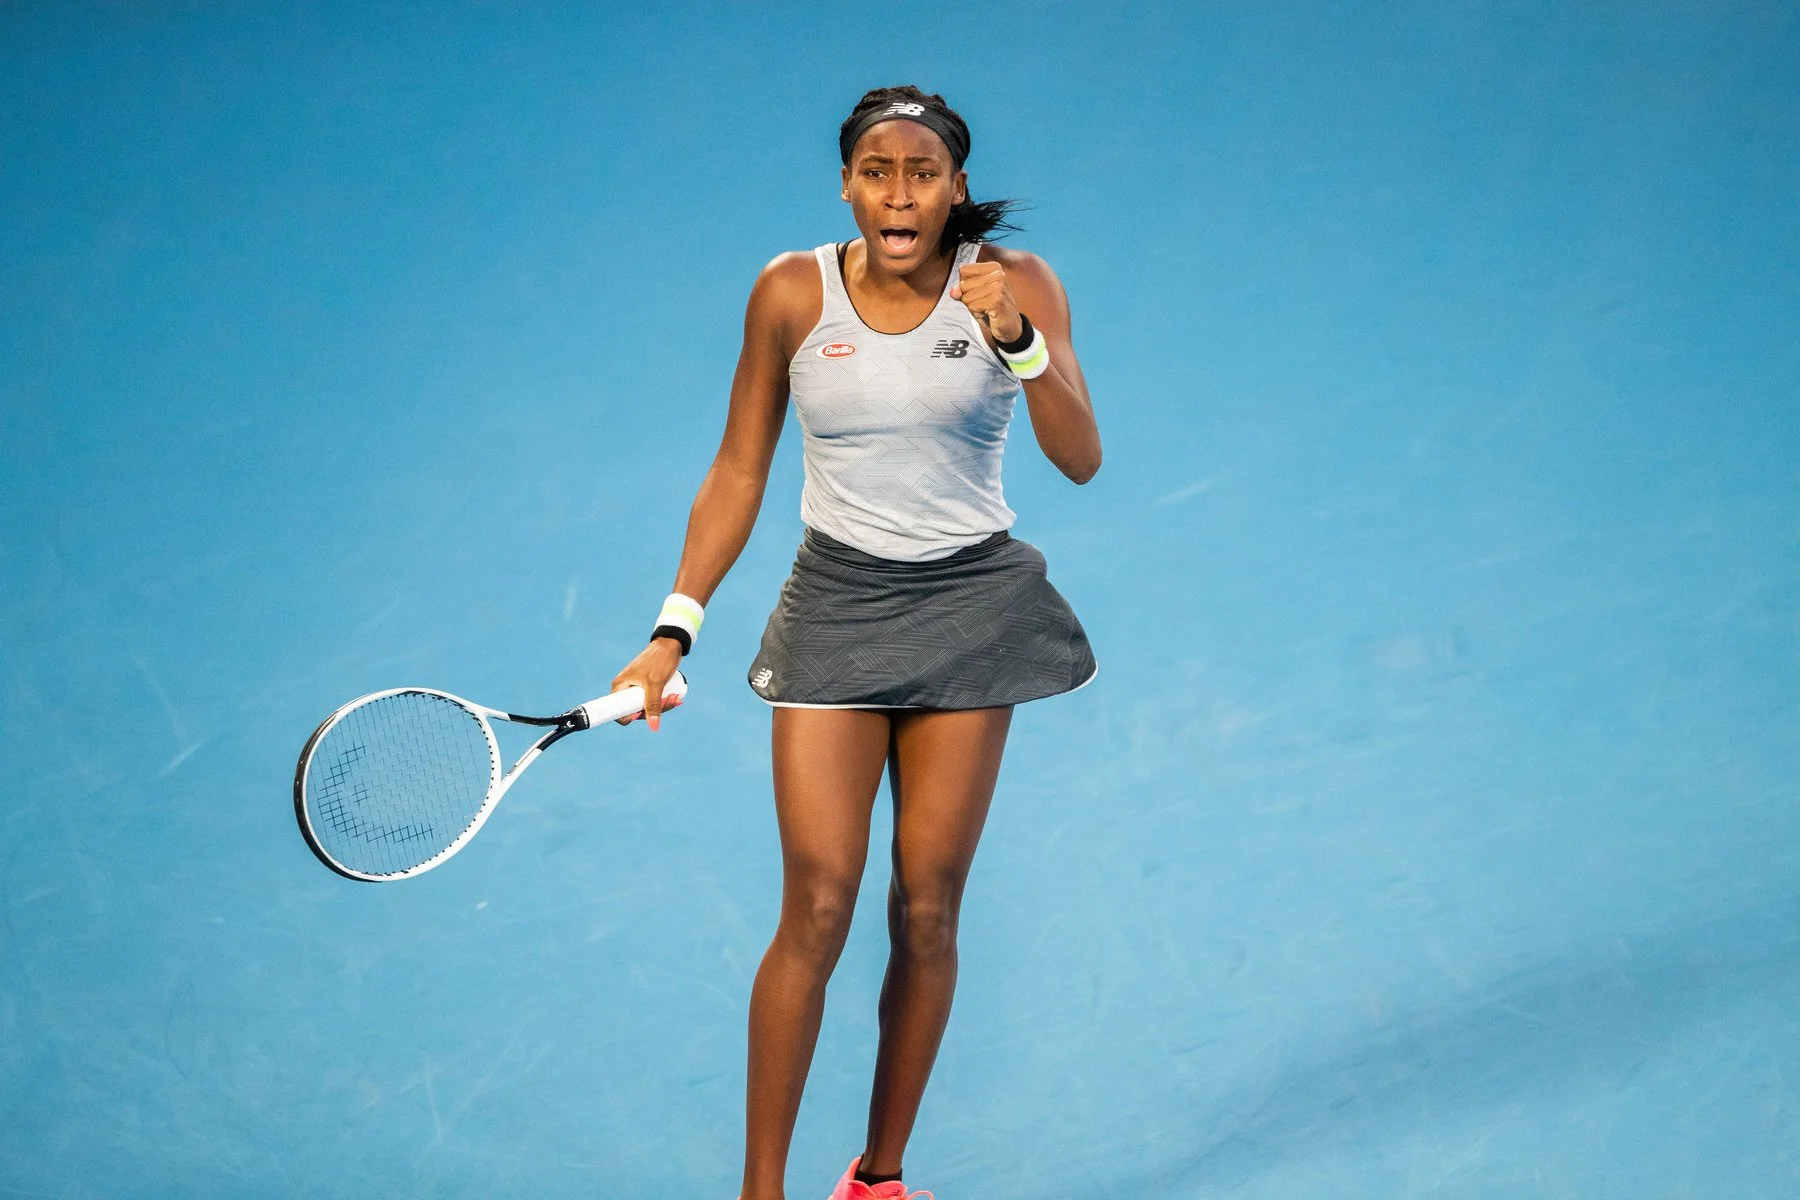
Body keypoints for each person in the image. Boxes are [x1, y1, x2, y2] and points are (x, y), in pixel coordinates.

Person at [608, 84, 1101, 1200]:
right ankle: (760, 1192)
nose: (899, 191)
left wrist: (1016, 343)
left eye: (923, 172)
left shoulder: (1015, 286)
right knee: (819, 901)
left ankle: (876, 1180)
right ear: (847, 185)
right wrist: (670, 630)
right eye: (877, 170)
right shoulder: (791, 292)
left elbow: (1082, 454)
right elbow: (739, 468)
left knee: (926, 904)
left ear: (956, 191)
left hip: (973, 613)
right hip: (836, 608)